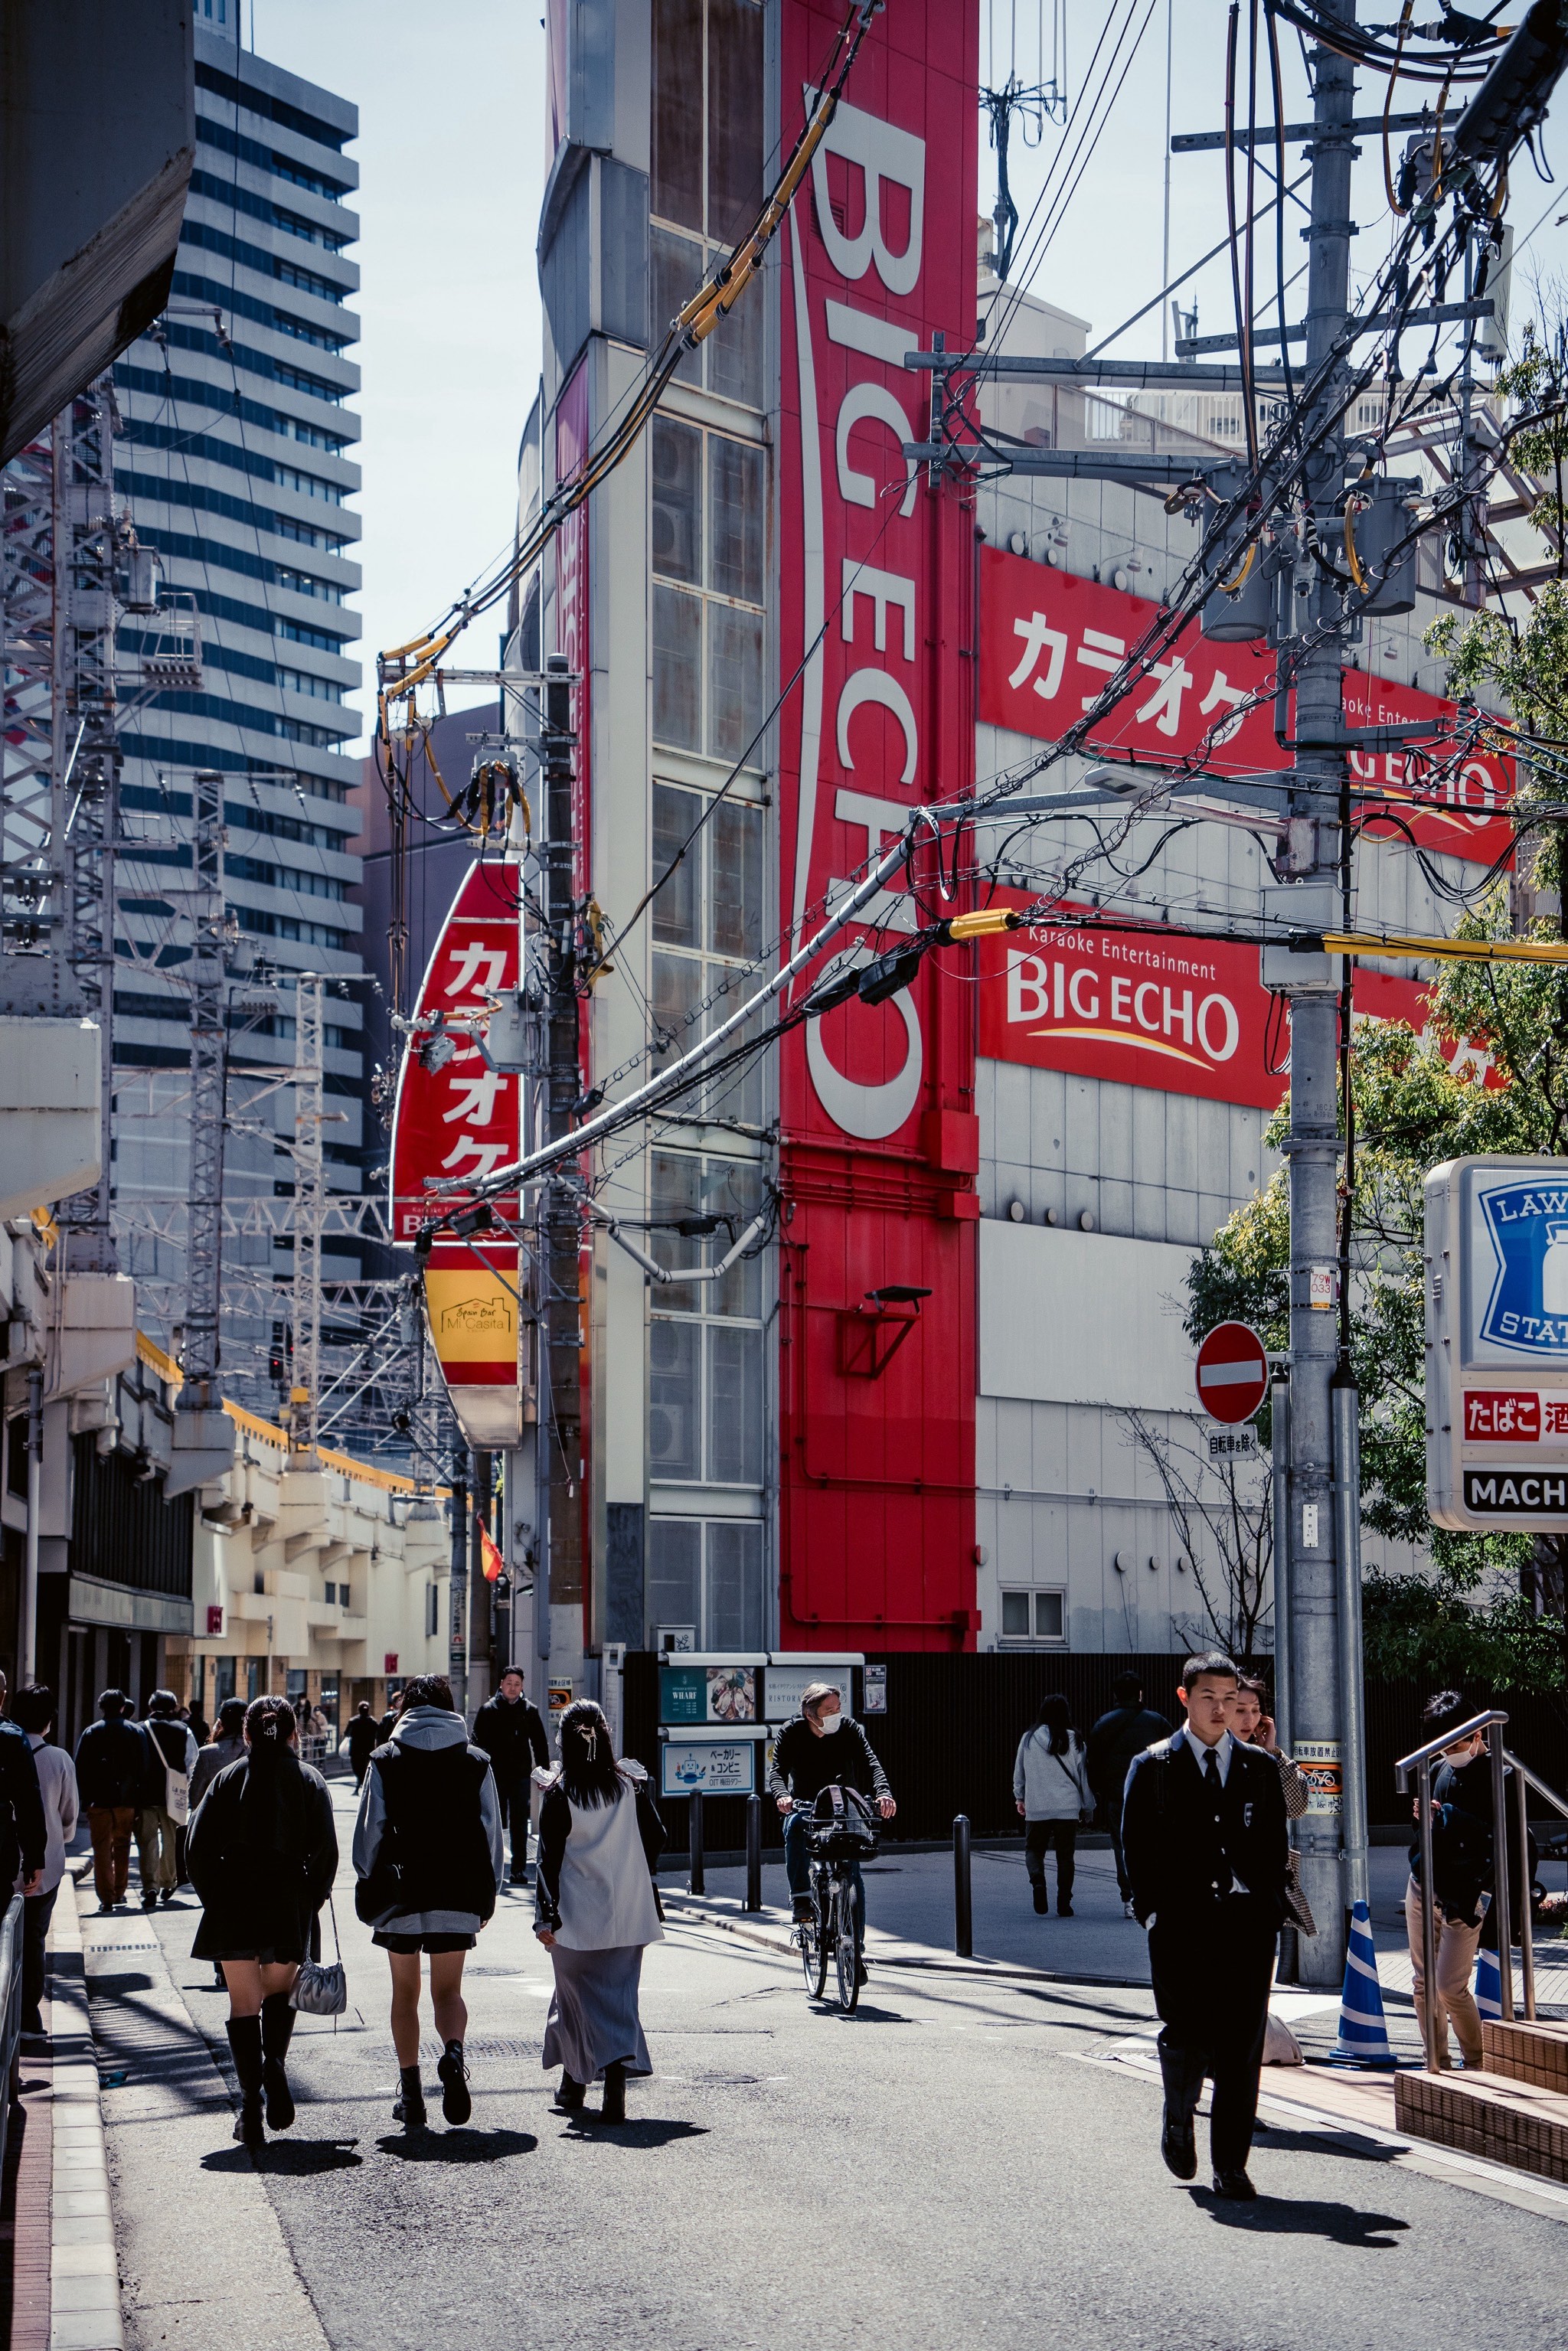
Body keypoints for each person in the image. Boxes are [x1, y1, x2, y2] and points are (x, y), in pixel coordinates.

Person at [1121, 1652, 1289, 2201]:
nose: (1220, 1709)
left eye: (1228, 1698)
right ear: (1184, 1698)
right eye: (1208, 1698)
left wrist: (1267, 1909)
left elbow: (1274, 1847)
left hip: (1246, 1925)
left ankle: (1231, 2165)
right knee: (1187, 2034)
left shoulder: (1260, 1769)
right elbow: (1134, 1847)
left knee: (1241, 2046)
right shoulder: (1154, 1766)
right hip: (1179, 1924)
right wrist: (1148, 1910)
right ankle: (1177, 2114)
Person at [187, 1695, 338, 2150]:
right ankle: (275, 2062)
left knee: (242, 2006)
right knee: (278, 1996)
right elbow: (327, 1852)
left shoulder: (226, 1778)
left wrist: (216, 1897)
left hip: (234, 1902)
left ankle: (250, 2105)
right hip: (288, 1903)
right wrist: (309, 1900)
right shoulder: (309, 1780)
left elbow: (196, 1849)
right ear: (295, 1734)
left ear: (246, 1734)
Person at [353, 1673, 503, 2133]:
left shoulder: (385, 1759)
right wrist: (488, 1891)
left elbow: (369, 1833)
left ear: (405, 1711)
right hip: (458, 1892)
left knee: (405, 1993)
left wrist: (366, 1878)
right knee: (448, 1992)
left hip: (401, 1893)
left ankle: (412, 2097)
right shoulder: (477, 1760)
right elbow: (492, 1831)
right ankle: (453, 2054)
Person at [534, 1699, 665, 2125]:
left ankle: (577, 2083)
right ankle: (608, 2085)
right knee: (618, 2000)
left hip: (575, 1915)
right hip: (628, 1912)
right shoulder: (629, 1786)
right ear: (605, 1737)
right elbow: (657, 1837)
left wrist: (544, 1916)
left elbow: (548, 1859)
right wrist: (632, 1869)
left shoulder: (560, 1793)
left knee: (575, 1999)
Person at [1404, 1690, 1531, 2071]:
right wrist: (1423, 1817)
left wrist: (1448, 1816)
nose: (1449, 1751)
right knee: (1423, 1984)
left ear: (1478, 1734)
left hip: (1470, 1891)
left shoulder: (1501, 1774)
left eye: (1456, 1741)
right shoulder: (1441, 1769)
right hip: (1425, 1882)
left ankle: (1476, 2060)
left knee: (1449, 1986)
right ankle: (1436, 2063)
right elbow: (1435, 1830)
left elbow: (1502, 1838)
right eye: (1442, 1745)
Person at [769, 1682, 895, 1981]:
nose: (837, 1715)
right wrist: (781, 1795)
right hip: (806, 1806)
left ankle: (856, 1951)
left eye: (838, 1709)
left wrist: (884, 1792)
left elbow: (871, 1762)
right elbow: (777, 1771)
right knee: (795, 1827)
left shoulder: (849, 1730)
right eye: (830, 1710)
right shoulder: (792, 1732)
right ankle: (801, 1898)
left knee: (853, 1873)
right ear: (810, 1714)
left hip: (844, 1806)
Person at [1227, 1673, 1315, 1938]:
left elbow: (1297, 1807)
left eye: (1255, 1711)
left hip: (1263, 1883)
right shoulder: (1209, 1758)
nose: (1249, 1719)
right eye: (1240, 1710)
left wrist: (1272, 1752)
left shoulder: (1268, 1760)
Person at [8, 1685, 74, 2038]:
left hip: (6, 1861)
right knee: (33, 1938)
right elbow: (69, 1818)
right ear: (49, 1720)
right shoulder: (59, 1759)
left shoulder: (6, 1747)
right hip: (46, 1866)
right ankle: (29, 2016)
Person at [1087, 1672, 1174, 1918]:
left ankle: (1130, 1899)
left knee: (1122, 1846)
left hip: (1118, 1797)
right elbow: (1176, 1754)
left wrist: (1102, 1790)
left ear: (1116, 1695)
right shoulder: (1156, 1722)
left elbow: (1092, 1763)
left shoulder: (1104, 1723)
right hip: (1153, 1797)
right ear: (1140, 1693)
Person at [1013, 1694, 1093, 1916]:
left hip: (1037, 1805)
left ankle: (1038, 1880)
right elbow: (1083, 1777)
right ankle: (1064, 1903)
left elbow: (1019, 1772)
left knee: (1033, 1850)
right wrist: (1088, 1806)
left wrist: (1020, 1797)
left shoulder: (1028, 1738)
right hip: (1067, 1808)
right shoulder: (1075, 1739)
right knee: (1065, 1857)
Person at [74, 1691, 150, 1912]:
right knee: (122, 1845)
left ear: (101, 1707)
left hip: (99, 1801)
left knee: (101, 1849)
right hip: (126, 1800)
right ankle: (119, 1891)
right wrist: (138, 1799)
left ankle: (106, 1897)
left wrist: (86, 1799)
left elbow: (81, 1768)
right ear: (123, 1707)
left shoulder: (91, 1732)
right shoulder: (136, 1731)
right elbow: (144, 1768)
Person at [472, 1668, 550, 1883]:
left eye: (517, 1683)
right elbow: (476, 1743)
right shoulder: (488, 1710)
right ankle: (490, 1867)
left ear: (522, 1686)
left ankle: (518, 1869)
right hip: (494, 1776)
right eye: (509, 1683)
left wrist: (544, 1773)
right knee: (493, 1821)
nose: (513, 1687)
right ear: (501, 1684)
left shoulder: (529, 1711)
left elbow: (539, 1743)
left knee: (518, 1824)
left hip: (520, 1776)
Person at [138, 1690, 198, 1910]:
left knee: (147, 1842)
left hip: (145, 1795)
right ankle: (168, 1881)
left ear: (151, 1707)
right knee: (172, 1841)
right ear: (173, 1707)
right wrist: (185, 1785)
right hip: (175, 1796)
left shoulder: (141, 1729)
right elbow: (192, 1762)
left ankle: (150, 1887)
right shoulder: (184, 1730)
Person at [190, 1699, 249, 1811]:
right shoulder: (258, 1751)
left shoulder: (207, 1753)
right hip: (249, 1822)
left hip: (217, 1821)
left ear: (221, 1723)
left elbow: (195, 1796)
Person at [346, 1700, 380, 1791]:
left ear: (359, 1710)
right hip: (368, 1749)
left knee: (356, 1767)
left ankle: (360, 1782)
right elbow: (379, 1734)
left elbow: (346, 1733)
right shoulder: (373, 1722)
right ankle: (362, 1782)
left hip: (355, 1749)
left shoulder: (353, 1721)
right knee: (366, 1767)